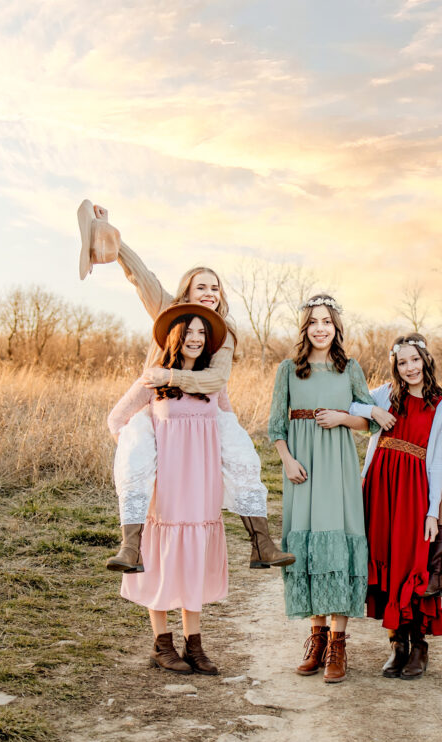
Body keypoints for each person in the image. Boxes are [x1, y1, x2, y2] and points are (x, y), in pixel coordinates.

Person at [76, 200, 294, 572]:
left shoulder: (224, 332)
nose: (210, 292)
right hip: (157, 401)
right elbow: (140, 276)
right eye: (202, 286)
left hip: (208, 404)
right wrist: (114, 238)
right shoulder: (166, 309)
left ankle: (262, 544)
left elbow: (215, 380)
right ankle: (131, 547)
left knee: (243, 456)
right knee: (134, 450)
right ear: (187, 292)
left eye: (215, 287)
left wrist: (171, 376)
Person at [106, 304, 230, 675]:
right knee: (161, 558)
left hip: (203, 483)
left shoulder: (213, 383)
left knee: (193, 559)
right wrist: (139, 456)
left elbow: (228, 426)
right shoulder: (154, 380)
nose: (195, 339)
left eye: (202, 334)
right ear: (175, 337)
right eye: (189, 332)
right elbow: (116, 419)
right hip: (166, 485)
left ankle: (195, 645)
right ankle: (162, 644)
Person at [268, 294, 378, 684]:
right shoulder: (288, 370)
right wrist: (287, 459)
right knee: (307, 545)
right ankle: (315, 639)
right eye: (313, 321)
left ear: (336, 328)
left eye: (327, 322)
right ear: (305, 328)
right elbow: (275, 426)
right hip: (302, 468)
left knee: (339, 543)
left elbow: (371, 421)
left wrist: (343, 418)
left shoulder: (350, 369)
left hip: (338, 466)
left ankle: (338, 644)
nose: (320, 328)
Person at [351, 333, 442, 680]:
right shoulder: (384, 394)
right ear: (395, 365)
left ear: (426, 359)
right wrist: (373, 410)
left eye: (415, 360)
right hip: (379, 488)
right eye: (402, 362)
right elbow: (351, 405)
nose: (409, 367)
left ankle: (419, 645)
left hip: (413, 491)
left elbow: (437, 460)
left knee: (412, 560)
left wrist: (432, 511)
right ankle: (397, 645)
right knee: (386, 557)